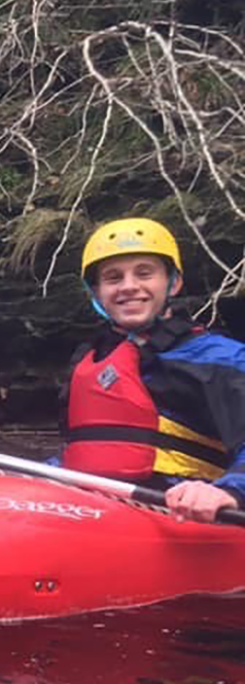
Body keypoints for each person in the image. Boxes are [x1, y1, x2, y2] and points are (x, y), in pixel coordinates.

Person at [59, 217, 245, 522]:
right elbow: (82, 449)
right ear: (96, 292)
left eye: (144, 273)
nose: (129, 287)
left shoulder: (223, 359)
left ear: (174, 282)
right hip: (90, 514)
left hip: (184, 521)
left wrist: (230, 490)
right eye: (113, 277)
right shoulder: (88, 361)